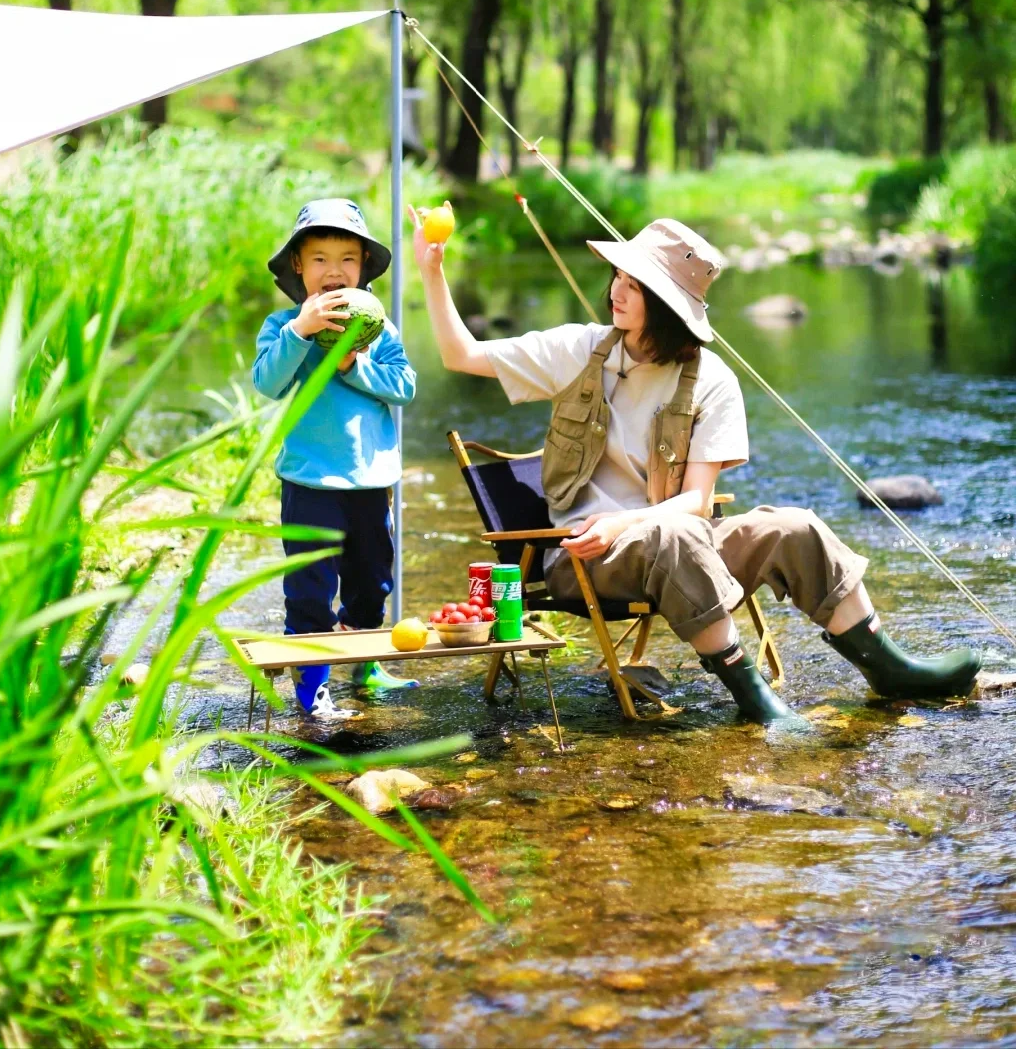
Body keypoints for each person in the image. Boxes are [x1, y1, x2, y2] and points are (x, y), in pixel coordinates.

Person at [412, 209, 982, 723]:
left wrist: (626, 522)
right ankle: (754, 697)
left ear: (667, 307)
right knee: (678, 532)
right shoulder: (579, 350)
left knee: (795, 526)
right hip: (584, 558)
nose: (617, 291)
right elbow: (460, 355)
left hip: (675, 542)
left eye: (636, 285)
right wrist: (433, 270)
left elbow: (697, 502)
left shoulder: (712, 381)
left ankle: (888, 667)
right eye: (619, 277)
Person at [254, 199, 417, 719]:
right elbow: (267, 382)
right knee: (310, 585)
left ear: (363, 269)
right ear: (298, 267)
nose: (334, 271)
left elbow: (406, 386)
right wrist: (301, 333)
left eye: (347, 259)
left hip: (369, 481)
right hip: (308, 482)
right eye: (319, 259)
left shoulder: (380, 331)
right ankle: (312, 686)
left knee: (372, 582)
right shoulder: (283, 326)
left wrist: (355, 363)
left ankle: (365, 663)